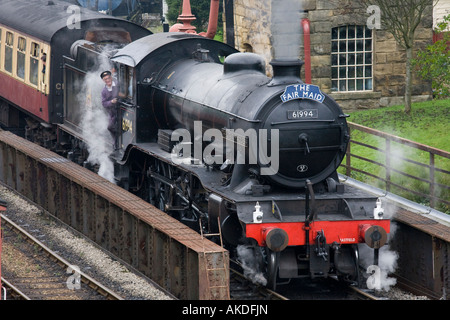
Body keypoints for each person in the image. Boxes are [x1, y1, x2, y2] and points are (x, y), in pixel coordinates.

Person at [101, 70, 120, 147]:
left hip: (121, 109)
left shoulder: (118, 84)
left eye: (108, 78)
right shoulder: (104, 91)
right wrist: (111, 102)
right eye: (105, 79)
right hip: (112, 112)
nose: (108, 80)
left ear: (111, 77)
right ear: (103, 80)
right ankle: (115, 142)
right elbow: (104, 103)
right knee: (110, 127)